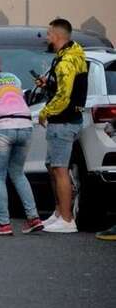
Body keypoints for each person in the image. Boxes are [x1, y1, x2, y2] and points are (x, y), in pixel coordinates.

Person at [0, 51, 44, 236]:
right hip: (25, 125)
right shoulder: (14, 78)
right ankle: (33, 217)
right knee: (18, 173)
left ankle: (3, 223)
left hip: (2, 127)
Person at [38, 18, 88, 234]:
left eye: (49, 34)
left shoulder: (66, 61)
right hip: (68, 120)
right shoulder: (73, 55)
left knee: (60, 169)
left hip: (63, 121)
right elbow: (65, 87)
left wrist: (45, 112)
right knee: (53, 167)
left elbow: (64, 96)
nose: (47, 38)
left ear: (57, 36)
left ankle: (67, 219)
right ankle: (58, 213)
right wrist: (48, 83)